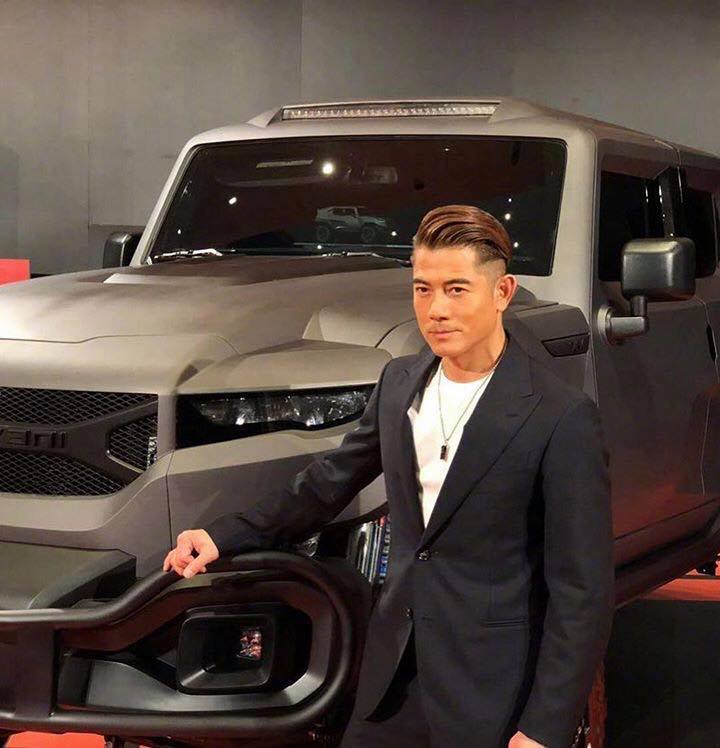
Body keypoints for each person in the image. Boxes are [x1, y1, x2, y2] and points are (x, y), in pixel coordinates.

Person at [163, 204, 615, 748]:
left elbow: (581, 591)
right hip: (392, 675)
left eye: (457, 289)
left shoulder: (560, 415)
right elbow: (327, 484)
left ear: (502, 291)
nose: (436, 309)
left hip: (491, 689)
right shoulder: (399, 382)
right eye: (423, 289)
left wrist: (544, 727)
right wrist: (224, 535)